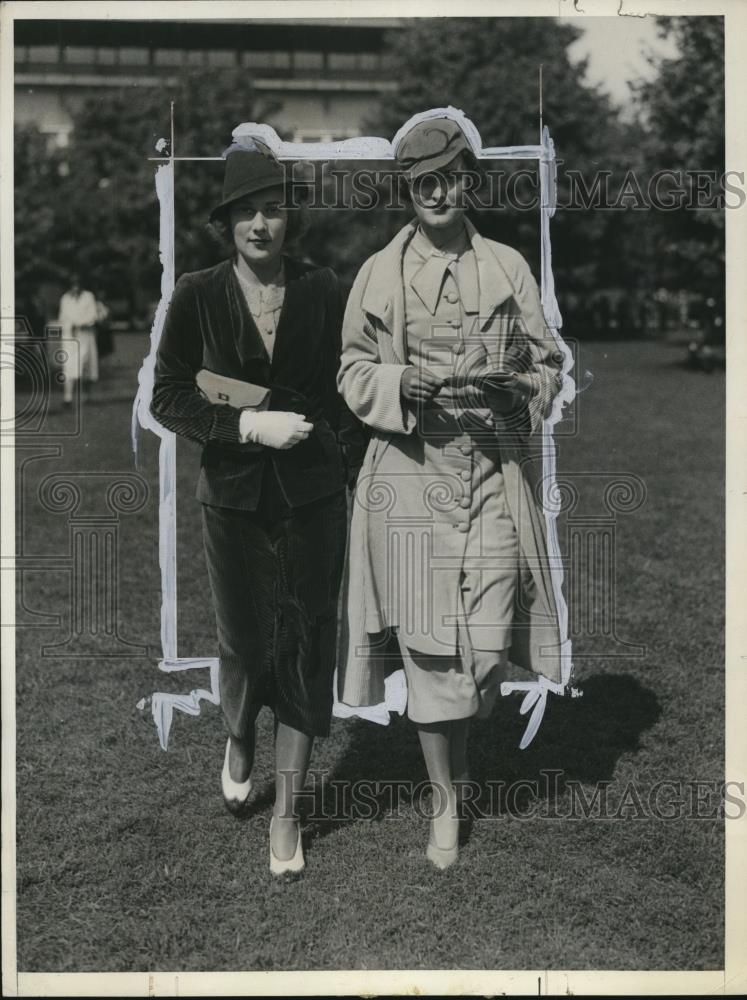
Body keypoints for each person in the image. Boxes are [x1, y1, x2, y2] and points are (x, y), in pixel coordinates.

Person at [337, 115, 566, 869]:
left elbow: (549, 364)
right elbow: (350, 372)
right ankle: (444, 798)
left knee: (488, 650)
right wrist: (402, 380)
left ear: (469, 181)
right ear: (409, 189)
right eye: (424, 182)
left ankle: (459, 752)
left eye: (452, 178)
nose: (439, 193)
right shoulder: (378, 273)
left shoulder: (506, 266)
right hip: (408, 476)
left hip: (492, 473)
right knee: (432, 653)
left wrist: (519, 390)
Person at [150, 140, 361, 875]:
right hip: (233, 499)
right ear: (227, 223)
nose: (261, 225)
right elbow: (168, 393)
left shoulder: (324, 289)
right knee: (242, 643)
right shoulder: (197, 294)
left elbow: (346, 395)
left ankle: (287, 813)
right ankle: (239, 735)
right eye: (247, 212)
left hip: (312, 498)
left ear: (288, 218)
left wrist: (353, 470)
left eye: (273, 209)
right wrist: (243, 424)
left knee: (307, 646)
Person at [58, 272, 99, 405]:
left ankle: (87, 396)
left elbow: (93, 316)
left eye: (78, 284)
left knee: (85, 365)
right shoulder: (65, 299)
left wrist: (80, 324)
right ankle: (68, 398)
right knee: (69, 366)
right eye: (73, 285)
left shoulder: (88, 296)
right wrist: (69, 326)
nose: (75, 287)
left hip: (84, 336)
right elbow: (62, 317)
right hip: (69, 338)